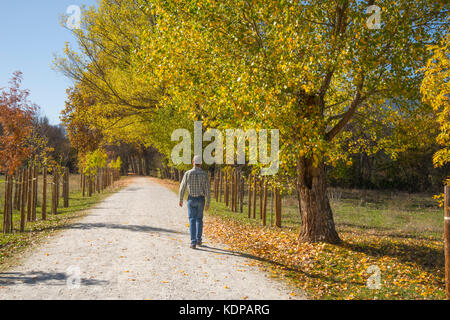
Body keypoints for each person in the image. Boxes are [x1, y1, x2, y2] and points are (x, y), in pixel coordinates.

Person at [179, 155, 211, 249]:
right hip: (201, 199)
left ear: (193, 162)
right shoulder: (204, 174)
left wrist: (181, 199)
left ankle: (193, 242)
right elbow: (207, 189)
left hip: (191, 199)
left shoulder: (187, 173)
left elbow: (182, 186)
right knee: (199, 219)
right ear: (201, 163)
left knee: (192, 220)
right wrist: (208, 202)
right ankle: (199, 240)